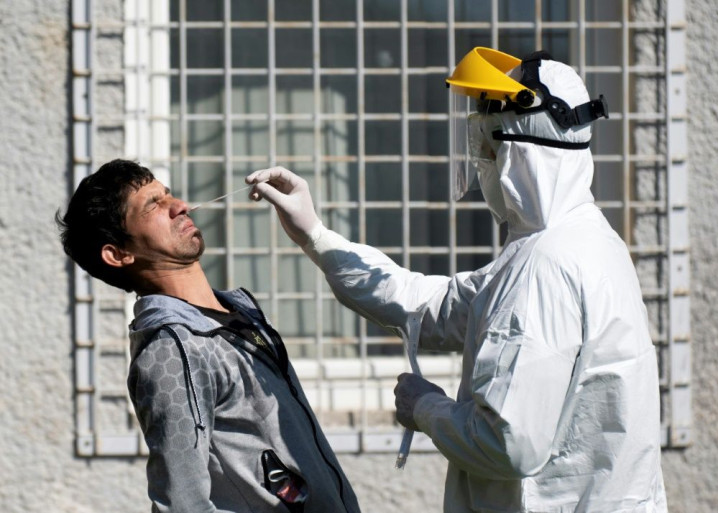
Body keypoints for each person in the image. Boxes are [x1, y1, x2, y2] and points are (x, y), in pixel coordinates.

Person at [246, 48, 668, 512]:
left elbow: (508, 444)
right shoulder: (582, 242)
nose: (482, 160)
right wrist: (318, 237)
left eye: (487, 145)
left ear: (515, 151)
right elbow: (429, 305)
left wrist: (425, 408)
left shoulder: (545, 267)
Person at [56, 159, 361, 513]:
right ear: (119, 253)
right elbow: (181, 503)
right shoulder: (171, 347)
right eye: (153, 205)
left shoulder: (239, 313)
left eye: (167, 194)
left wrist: (315, 232)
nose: (180, 206)